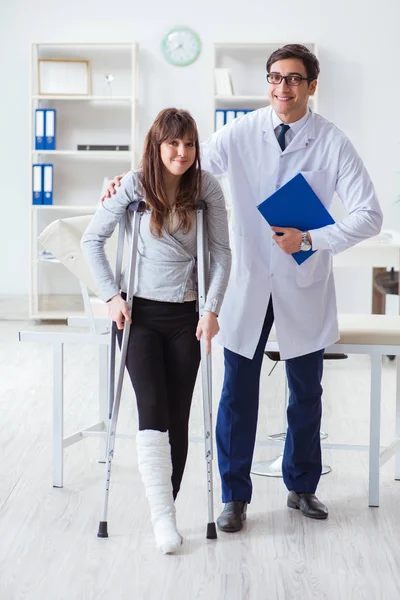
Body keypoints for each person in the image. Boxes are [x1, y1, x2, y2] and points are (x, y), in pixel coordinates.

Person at [102, 44, 383, 532]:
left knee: (306, 392)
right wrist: (126, 178)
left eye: (294, 79)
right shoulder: (243, 131)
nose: (282, 87)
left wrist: (312, 238)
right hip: (247, 281)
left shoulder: (333, 142)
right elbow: (182, 161)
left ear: (312, 86)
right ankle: (234, 495)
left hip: (302, 282)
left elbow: (370, 215)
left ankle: (302, 485)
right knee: (237, 392)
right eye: (275, 77)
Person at [81, 108, 231, 553]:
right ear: (157, 145)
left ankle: (170, 503)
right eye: (173, 144)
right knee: (152, 412)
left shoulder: (207, 187)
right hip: (139, 318)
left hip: (187, 316)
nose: (181, 153)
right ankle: (163, 519)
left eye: (189, 145)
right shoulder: (133, 184)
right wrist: (111, 296)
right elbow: (93, 239)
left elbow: (222, 253)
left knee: (179, 417)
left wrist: (212, 308)